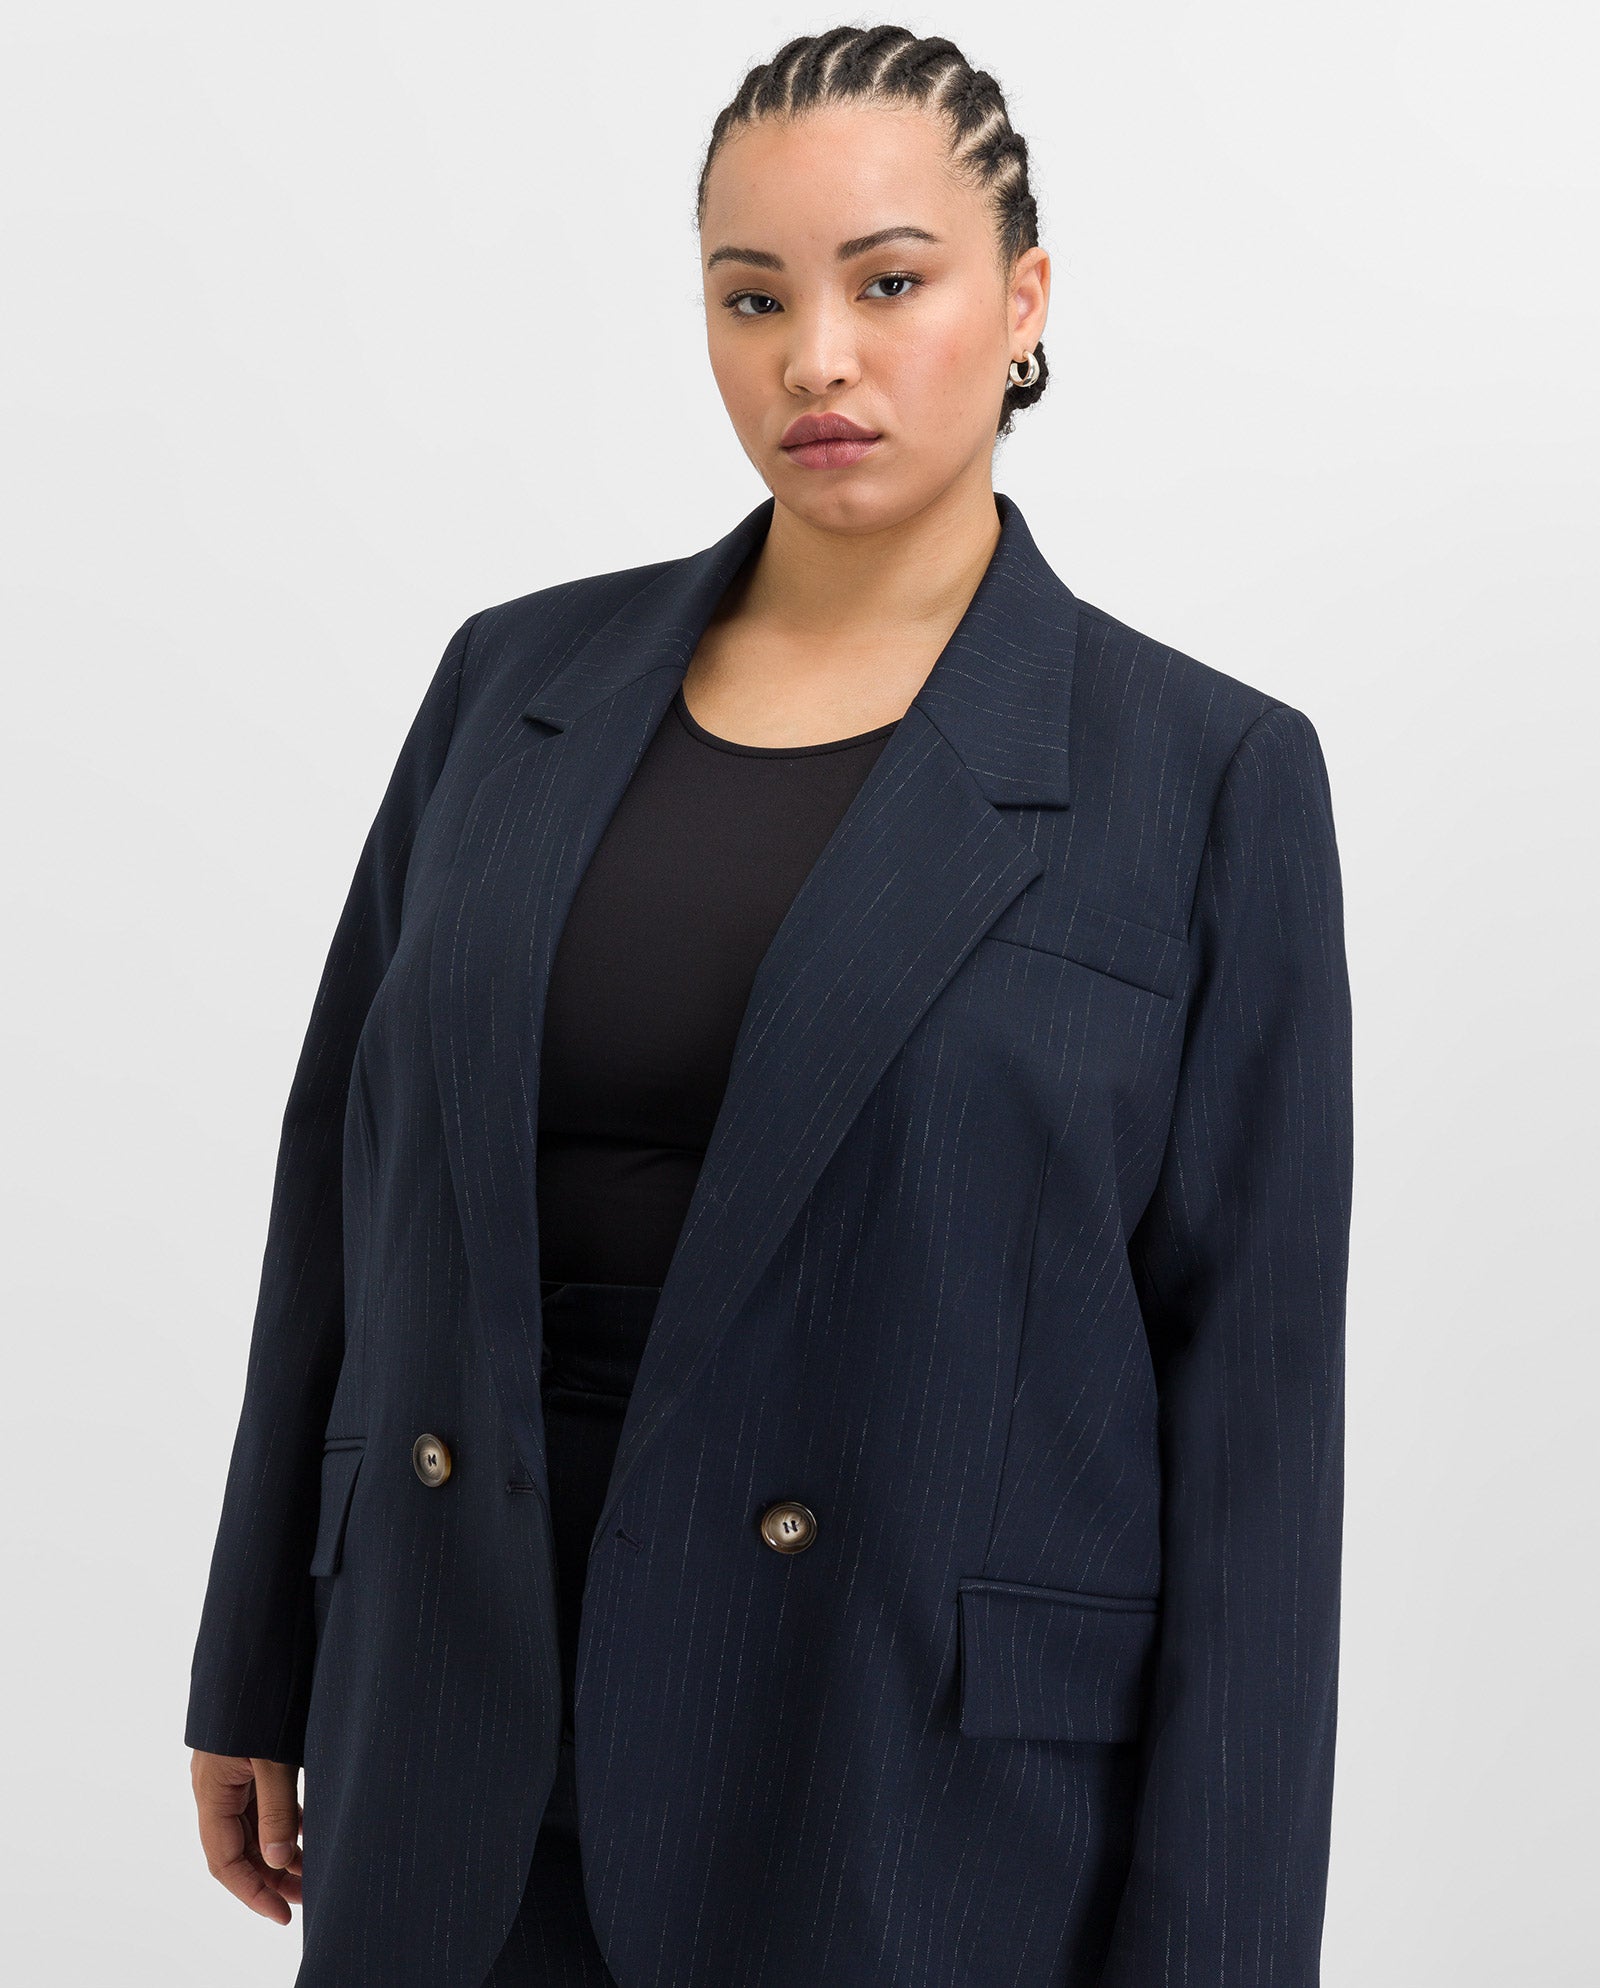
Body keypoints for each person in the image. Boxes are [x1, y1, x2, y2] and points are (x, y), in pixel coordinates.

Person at [186, 24, 1353, 1988]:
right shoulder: (510, 686)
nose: (816, 355)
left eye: (888, 281)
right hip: (454, 1742)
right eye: (752, 296)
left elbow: (1247, 1425)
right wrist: (260, 1648)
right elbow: (341, 1182)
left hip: (896, 1790)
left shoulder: (1199, 773)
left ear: (1021, 300)